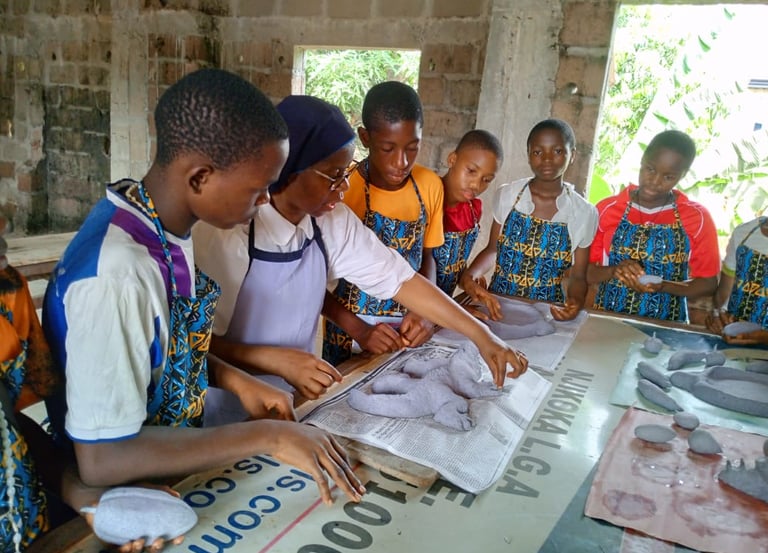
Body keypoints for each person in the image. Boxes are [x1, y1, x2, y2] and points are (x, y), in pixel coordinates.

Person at [42, 69, 365, 509]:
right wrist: (267, 437)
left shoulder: (160, 228)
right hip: (113, 490)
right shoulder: (117, 276)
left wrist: (235, 379)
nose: (267, 199)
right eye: (259, 187)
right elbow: (102, 458)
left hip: (166, 464)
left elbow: (160, 344)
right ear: (199, 178)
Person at [192, 95, 528, 410]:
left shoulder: (329, 220)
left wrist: (481, 336)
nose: (345, 186)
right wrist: (276, 360)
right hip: (228, 407)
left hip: (296, 398)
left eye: (346, 172)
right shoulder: (229, 230)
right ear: (291, 168)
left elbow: (401, 281)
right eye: (334, 176)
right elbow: (196, 342)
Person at [0, 214, 183, 552]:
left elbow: (8, 422)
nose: (4, 224)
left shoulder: (6, 290)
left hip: (28, 528)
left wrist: (81, 492)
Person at [322, 81, 445, 367]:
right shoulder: (341, 190)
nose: (401, 162)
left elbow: (428, 258)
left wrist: (424, 311)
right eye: (388, 148)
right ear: (365, 137)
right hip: (348, 331)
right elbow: (314, 281)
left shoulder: (429, 186)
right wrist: (360, 330)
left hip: (408, 327)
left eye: (412, 148)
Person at [459, 118, 598, 322]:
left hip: (548, 313)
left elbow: (578, 276)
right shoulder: (508, 195)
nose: (547, 159)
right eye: (538, 152)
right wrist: (471, 276)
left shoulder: (583, 213)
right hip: (499, 305)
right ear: (529, 155)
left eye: (558, 151)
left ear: (573, 155)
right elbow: (493, 249)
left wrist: (575, 300)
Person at [588, 129, 720, 323]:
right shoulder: (607, 209)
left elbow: (708, 283)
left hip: (667, 325)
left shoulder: (697, 217)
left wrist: (663, 286)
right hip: (609, 319)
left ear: (682, 176)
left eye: (668, 177)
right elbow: (585, 271)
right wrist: (613, 271)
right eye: (650, 169)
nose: (655, 182)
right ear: (642, 160)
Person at [432, 129, 503, 297]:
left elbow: (453, 265)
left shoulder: (473, 211)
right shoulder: (426, 200)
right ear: (452, 160)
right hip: (408, 309)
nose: (476, 185)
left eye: (486, 180)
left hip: (442, 307)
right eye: (471, 171)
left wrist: (468, 283)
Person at [705, 216, 768, 345]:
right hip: (736, 346)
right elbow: (723, 297)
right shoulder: (744, 233)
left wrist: (764, 337)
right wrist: (718, 315)